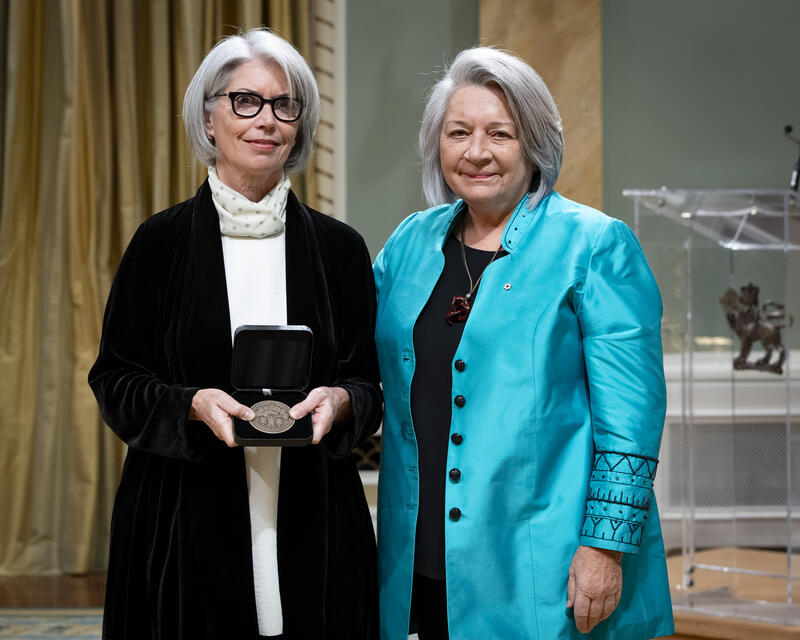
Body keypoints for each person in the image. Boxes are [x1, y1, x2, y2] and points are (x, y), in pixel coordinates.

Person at [89, 28, 381, 640]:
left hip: (315, 513)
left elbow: (369, 381)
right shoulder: (160, 243)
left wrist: (343, 399)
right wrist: (188, 404)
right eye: (244, 101)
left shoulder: (339, 249)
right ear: (209, 117)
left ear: (299, 124)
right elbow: (115, 379)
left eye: (284, 104)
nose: (266, 120)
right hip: (182, 511)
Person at [373, 47, 673, 639]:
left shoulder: (594, 244)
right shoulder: (410, 241)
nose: (476, 151)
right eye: (458, 132)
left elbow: (631, 420)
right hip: (418, 556)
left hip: (547, 561)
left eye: (500, 133)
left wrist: (604, 550)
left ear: (533, 142)